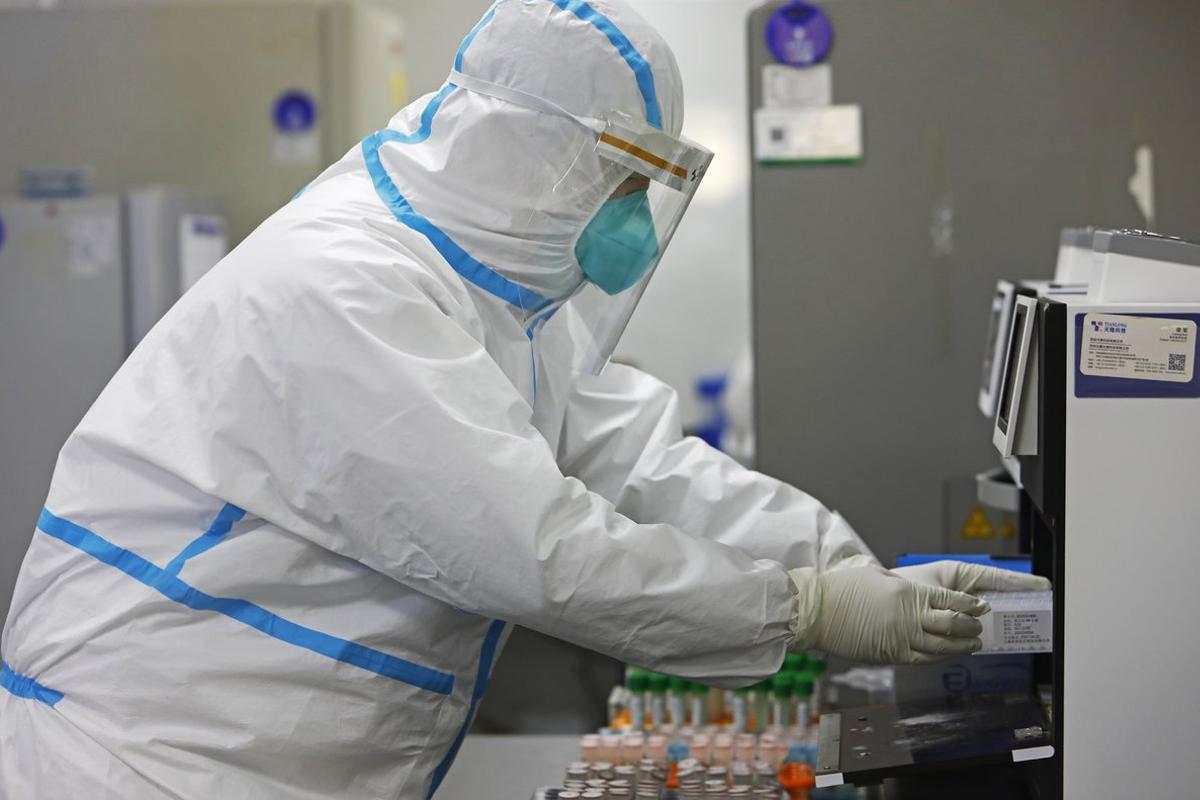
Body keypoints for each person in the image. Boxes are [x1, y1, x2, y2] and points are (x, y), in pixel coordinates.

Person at [0, 1, 1048, 797]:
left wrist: (850, 566)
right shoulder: (343, 286)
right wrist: (808, 609)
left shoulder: (499, 294)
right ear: (536, 154)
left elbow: (637, 463)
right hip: (144, 762)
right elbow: (544, 550)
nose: (634, 216)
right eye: (624, 181)